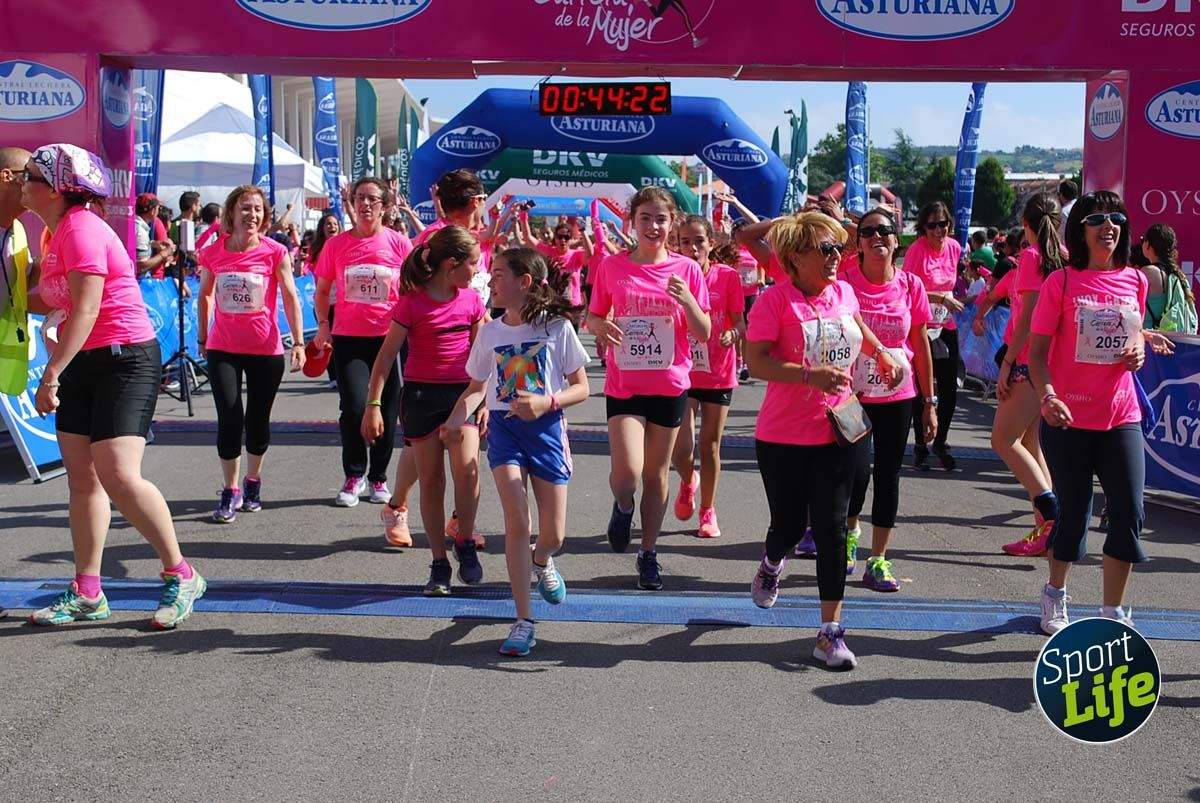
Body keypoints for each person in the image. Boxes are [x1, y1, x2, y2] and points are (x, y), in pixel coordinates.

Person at [22, 144, 205, 629]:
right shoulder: (55, 232)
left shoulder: (81, 229)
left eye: (31, 176)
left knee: (119, 474)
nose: (23, 183)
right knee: (82, 479)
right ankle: (87, 591)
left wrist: (50, 374)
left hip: (125, 359)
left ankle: (181, 574)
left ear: (58, 187)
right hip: (86, 358)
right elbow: (53, 299)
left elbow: (85, 309)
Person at [745, 211, 899, 670]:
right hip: (783, 436)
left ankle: (830, 633)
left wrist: (882, 354)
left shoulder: (844, 291)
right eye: (826, 249)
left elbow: (857, 328)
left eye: (838, 248)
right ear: (795, 258)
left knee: (833, 530)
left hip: (840, 428)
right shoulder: (775, 302)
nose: (837, 256)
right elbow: (756, 363)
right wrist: (809, 375)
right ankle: (772, 562)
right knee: (790, 528)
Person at [1029, 190, 1174, 635]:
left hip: (1121, 416)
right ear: (1081, 229)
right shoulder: (1062, 283)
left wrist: (1140, 347)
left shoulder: (1136, 279)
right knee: (1072, 514)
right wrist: (1048, 395)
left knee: (1129, 512)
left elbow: (1126, 330)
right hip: (1068, 418)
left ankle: (1112, 613)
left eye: (1115, 217)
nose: (1108, 225)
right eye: (1096, 219)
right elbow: (1036, 354)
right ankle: (1055, 593)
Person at [443, 247, 590, 655]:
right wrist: (456, 420)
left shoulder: (556, 328)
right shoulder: (490, 332)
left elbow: (583, 386)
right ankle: (524, 620)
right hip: (505, 431)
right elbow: (476, 388)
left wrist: (548, 402)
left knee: (554, 534)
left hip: (545, 430)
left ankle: (542, 561)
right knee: (516, 520)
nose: (490, 281)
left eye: (498, 274)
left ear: (524, 282)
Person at [586, 186, 711, 590]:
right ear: (632, 222)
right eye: (646, 218)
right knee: (627, 474)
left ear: (671, 224)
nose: (653, 226)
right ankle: (623, 506)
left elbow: (704, 332)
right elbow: (592, 316)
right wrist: (600, 326)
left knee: (656, 476)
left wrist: (689, 301)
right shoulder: (612, 267)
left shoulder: (688, 270)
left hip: (670, 383)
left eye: (661, 219)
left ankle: (649, 553)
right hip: (625, 384)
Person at [362, 225, 486, 595]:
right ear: (451, 264)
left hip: (461, 397)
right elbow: (384, 360)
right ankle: (438, 562)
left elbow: (485, 360)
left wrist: (486, 404)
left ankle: (463, 539)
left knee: (467, 472)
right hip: (419, 399)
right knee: (431, 481)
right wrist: (373, 406)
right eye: (473, 264)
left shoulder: (472, 302)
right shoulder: (411, 303)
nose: (477, 271)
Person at [196, 185, 306, 522]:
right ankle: (230, 490)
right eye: (245, 208)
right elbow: (205, 296)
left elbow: (289, 296)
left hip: (265, 349)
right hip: (223, 348)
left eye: (258, 209)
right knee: (230, 418)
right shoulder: (214, 253)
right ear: (231, 213)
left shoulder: (275, 252)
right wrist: (203, 337)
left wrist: (299, 343)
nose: (252, 215)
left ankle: (253, 480)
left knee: (256, 420)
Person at [844, 207, 936, 591]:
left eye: (885, 231)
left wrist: (930, 403)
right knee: (854, 472)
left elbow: (920, 344)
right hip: (851, 394)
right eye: (869, 232)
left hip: (899, 395)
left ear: (897, 240)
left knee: (888, 475)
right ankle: (849, 531)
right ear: (859, 241)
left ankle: (878, 559)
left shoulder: (911, 286)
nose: (877, 237)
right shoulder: (845, 279)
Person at [312, 177, 414, 507]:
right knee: (355, 406)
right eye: (359, 198)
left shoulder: (399, 243)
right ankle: (354, 473)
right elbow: (323, 290)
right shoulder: (336, 245)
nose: (365, 204)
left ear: (385, 206)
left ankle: (378, 478)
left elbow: (413, 291)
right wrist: (324, 325)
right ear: (352, 204)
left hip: (391, 338)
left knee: (387, 408)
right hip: (349, 338)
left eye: (372, 199)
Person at [989, 193, 1066, 558]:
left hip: (1027, 364)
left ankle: (1050, 516)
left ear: (1025, 225)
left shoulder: (1033, 258)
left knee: (1003, 440)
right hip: (1049, 365)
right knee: (1032, 444)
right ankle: (1046, 528)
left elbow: (1028, 317)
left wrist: (1007, 362)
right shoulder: (1063, 259)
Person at [670, 215, 744, 539]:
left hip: (718, 370)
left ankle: (707, 509)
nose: (692, 247)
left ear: (711, 243)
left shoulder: (727, 277)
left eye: (699, 240)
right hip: (683, 370)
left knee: (709, 445)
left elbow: (741, 322)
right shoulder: (673, 276)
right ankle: (689, 481)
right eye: (685, 241)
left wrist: (732, 333)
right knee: (681, 446)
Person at [902, 201, 963, 471]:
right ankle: (920, 444)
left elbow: (953, 284)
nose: (939, 230)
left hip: (945, 324)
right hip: (921, 326)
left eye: (944, 224)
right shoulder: (917, 251)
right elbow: (905, 289)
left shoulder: (954, 248)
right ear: (923, 228)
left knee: (950, 388)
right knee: (923, 387)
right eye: (933, 225)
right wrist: (938, 297)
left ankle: (941, 441)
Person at [307, 211, 343, 389]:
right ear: (322, 228)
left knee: (341, 342)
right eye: (328, 224)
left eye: (335, 224)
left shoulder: (345, 245)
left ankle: (343, 375)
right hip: (324, 302)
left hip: (342, 303)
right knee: (328, 341)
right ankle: (333, 377)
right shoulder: (318, 250)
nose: (332, 227)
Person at [1140, 223, 1197, 333]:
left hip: (1150, 343)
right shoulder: (1179, 276)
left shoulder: (1148, 272)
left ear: (1148, 245)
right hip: (1175, 344)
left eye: (1143, 240)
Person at [134, 192, 176, 280]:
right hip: (139, 282)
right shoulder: (140, 232)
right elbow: (141, 266)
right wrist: (165, 253)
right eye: (158, 208)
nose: (158, 212)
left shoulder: (135, 225)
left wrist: (153, 244)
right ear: (153, 211)